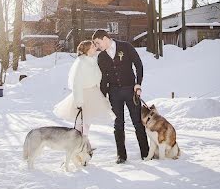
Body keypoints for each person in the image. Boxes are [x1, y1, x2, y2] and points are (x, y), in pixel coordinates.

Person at [92, 29, 150, 164]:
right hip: (114, 94)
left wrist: (138, 84)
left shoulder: (125, 46)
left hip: (131, 91)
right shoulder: (101, 57)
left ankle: (146, 153)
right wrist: (103, 97)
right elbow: (103, 79)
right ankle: (121, 155)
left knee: (137, 122)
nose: (97, 46)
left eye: (98, 43)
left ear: (105, 38)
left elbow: (138, 65)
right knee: (118, 124)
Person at [53, 40, 112, 151]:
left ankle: (82, 145)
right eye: (93, 46)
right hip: (84, 95)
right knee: (81, 124)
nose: (95, 47)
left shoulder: (93, 60)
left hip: (93, 93)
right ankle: (77, 147)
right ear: (87, 50)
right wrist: (79, 101)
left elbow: (96, 78)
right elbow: (77, 83)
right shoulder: (81, 62)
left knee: (87, 123)